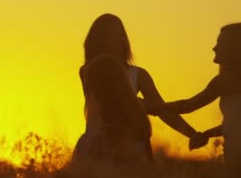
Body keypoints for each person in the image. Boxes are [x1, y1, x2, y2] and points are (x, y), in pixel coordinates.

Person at [73, 14, 198, 161]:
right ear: (98, 40)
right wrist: (142, 105)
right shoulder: (87, 71)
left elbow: (163, 110)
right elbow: (105, 104)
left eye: (119, 35)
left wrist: (192, 134)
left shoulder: (139, 75)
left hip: (128, 145)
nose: (115, 40)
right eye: (108, 35)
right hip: (96, 144)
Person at [152, 23, 241, 167]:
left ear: (235, 49)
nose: (214, 48)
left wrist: (153, 108)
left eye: (220, 43)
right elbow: (235, 126)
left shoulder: (224, 81)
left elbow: (188, 106)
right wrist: (206, 134)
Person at [74, 54, 152, 163]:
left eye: (89, 90)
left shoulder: (95, 141)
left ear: (100, 93)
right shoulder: (139, 126)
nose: (89, 98)